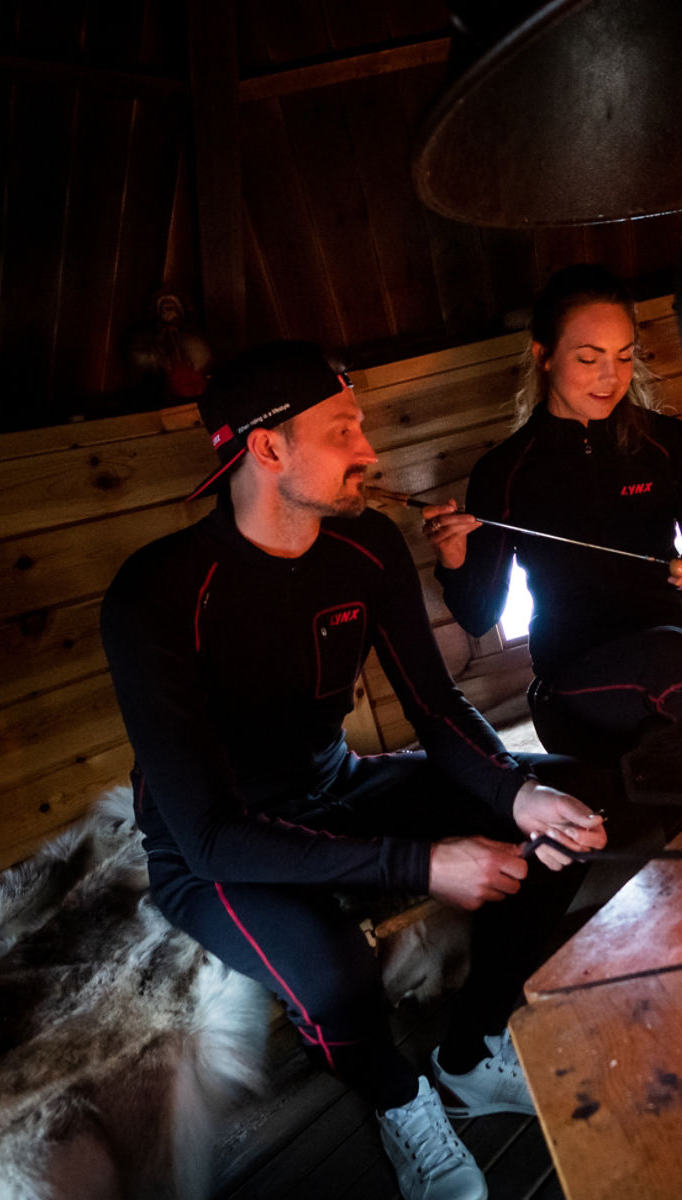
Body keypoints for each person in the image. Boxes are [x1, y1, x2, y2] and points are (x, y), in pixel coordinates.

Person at [101, 341, 608, 1200]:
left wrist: (517, 792)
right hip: (215, 843)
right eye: (343, 431)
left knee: (565, 818)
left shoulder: (365, 548)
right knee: (335, 971)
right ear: (269, 450)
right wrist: (424, 863)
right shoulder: (158, 593)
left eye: (362, 427)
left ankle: (470, 1048)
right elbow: (215, 835)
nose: (368, 452)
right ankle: (400, 1100)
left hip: (336, 786)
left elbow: (437, 710)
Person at [420, 264, 682, 772]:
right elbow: (478, 615)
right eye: (588, 358)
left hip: (674, 659)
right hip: (573, 684)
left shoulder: (670, 446)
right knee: (675, 662)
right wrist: (454, 558)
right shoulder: (504, 471)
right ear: (545, 356)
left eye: (624, 356)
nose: (611, 377)